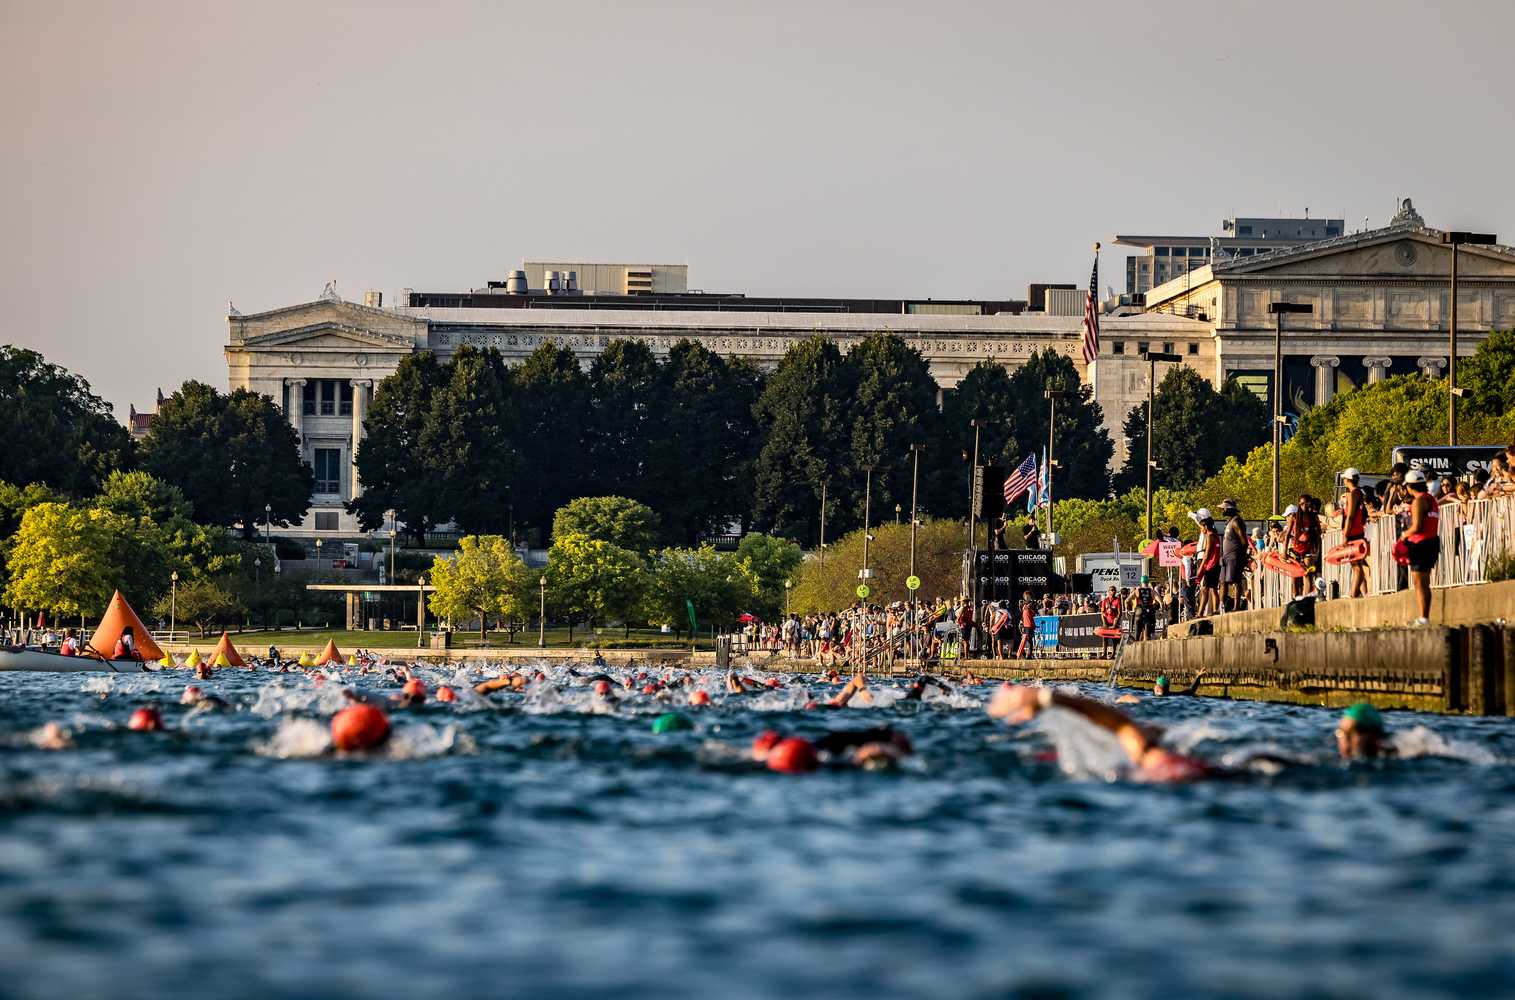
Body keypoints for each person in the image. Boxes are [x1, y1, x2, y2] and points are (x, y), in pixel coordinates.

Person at [1399, 469, 1440, 625]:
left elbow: (1416, 526)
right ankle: (1424, 616)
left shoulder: (1419, 501)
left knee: (1419, 582)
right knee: (1425, 582)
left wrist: (1403, 535)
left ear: (1410, 487)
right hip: (1432, 542)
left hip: (1421, 544)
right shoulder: (1431, 499)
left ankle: (1423, 618)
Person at [1339, 468, 1370, 599]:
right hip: (1359, 532)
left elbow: (1350, 516)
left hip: (1353, 533)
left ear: (1347, 480)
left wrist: (1345, 536)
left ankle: (1353, 594)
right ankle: (1363, 593)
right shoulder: (1360, 493)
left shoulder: (1352, 494)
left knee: (1356, 566)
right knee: (1358, 564)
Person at [1219, 499, 1249, 612]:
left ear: (1230, 509)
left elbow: (1244, 542)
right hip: (1226, 557)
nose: (1223, 509)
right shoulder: (1229, 522)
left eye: (1225, 508)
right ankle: (1221, 607)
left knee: (1236, 581)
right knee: (1223, 582)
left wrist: (1242, 557)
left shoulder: (1236, 522)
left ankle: (1236, 606)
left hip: (1234, 556)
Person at [1192, 509, 1221, 617]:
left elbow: (1207, 554)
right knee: (1213, 589)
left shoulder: (1210, 536)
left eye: (1201, 527)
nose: (1201, 529)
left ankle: (1200, 613)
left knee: (1204, 590)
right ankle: (1215, 610)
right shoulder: (1216, 535)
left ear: (1205, 527)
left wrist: (1201, 568)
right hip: (1216, 565)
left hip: (1210, 566)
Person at [1098, 585, 1121, 657]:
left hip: (1114, 621)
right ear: (1109, 591)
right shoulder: (1105, 600)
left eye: (1114, 590)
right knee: (1105, 638)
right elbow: (1102, 612)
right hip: (1107, 622)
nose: (1113, 591)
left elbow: (1119, 612)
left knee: (1114, 639)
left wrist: (1115, 622)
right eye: (1111, 590)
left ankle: (1113, 653)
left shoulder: (1117, 600)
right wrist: (1105, 623)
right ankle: (1104, 653)